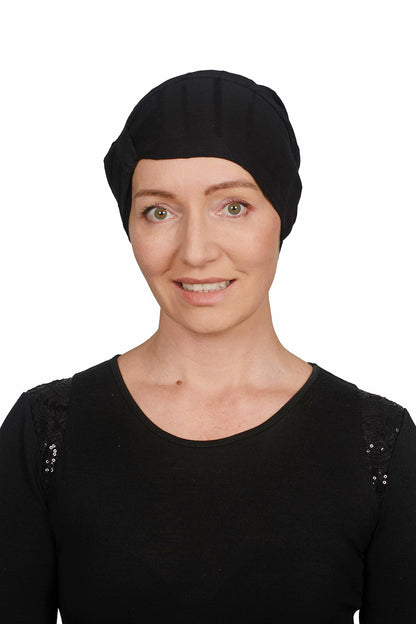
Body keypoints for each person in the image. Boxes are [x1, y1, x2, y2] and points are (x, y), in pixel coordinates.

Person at [0, 69, 415, 624]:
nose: (195, 251)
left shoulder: (378, 444)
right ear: (130, 228)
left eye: (233, 206)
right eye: (159, 211)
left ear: (282, 216)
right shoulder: (45, 431)